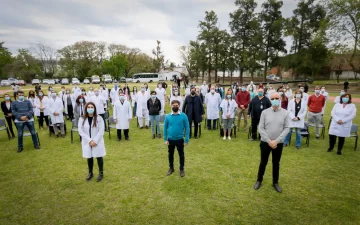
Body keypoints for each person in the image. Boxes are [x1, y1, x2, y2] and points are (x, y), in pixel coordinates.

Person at [254, 92, 289, 193]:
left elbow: (286, 128)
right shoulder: (265, 112)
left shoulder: (285, 113)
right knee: (263, 162)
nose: (275, 100)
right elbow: (260, 127)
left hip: (278, 143)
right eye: (273, 98)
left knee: (276, 163)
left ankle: (275, 182)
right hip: (265, 142)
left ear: (280, 99)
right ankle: (259, 180)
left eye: (277, 98)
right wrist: (269, 141)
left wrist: (276, 141)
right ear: (270, 99)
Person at [78, 102, 106, 182]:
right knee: (89, 157)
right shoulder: (82, 118)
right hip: (87, 141)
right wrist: (89, 140)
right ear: (86, 108)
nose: (90, 109)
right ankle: (90, 172)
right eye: (89, 107)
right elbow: (80, 131)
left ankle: (101, 173)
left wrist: (95, 141)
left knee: (99, 156)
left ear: (94, 108)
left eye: (92, 107)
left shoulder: (99, 118)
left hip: (97, 141)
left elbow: (101, 130)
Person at [163, 100, 190, 177]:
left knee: (181, 155)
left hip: (180, 139)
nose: (175, 106)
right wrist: (165, 139)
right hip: (170, 139)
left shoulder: (183, 116)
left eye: (176, 105)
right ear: (171, 106)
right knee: (170, 154)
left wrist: (186, 140)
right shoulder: (168, 116)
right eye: (173, 105)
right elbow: (165, 128)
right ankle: (171, 168)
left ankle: (181, 169)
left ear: (179, 106)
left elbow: (187, 128)